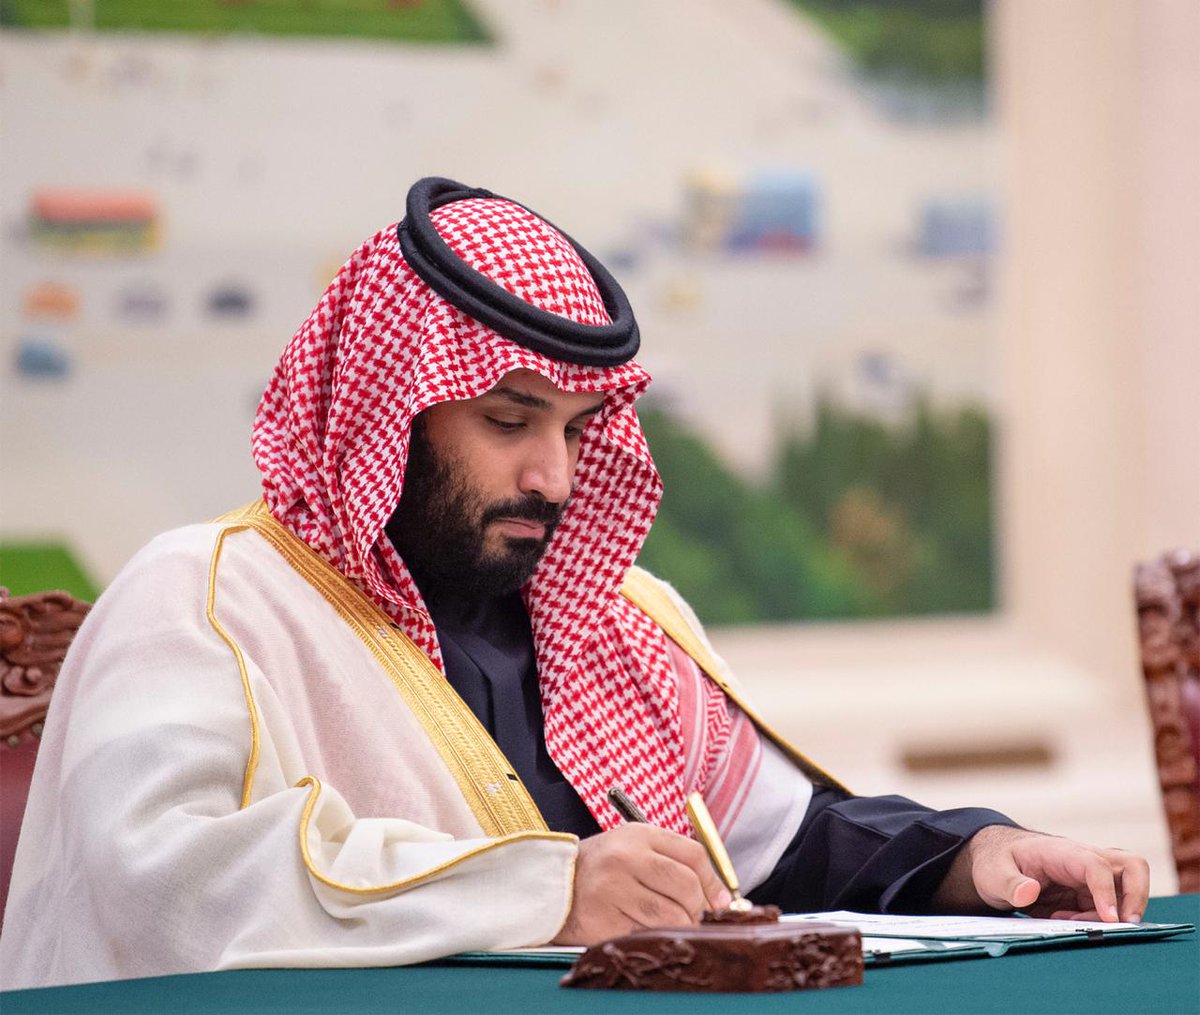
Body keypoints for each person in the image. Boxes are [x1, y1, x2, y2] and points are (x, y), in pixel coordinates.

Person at [0, 178, 1149, 988]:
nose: (553, 475)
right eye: (509, 422)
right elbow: (165, 881)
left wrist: (970, 860)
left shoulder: (612, 620)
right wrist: (548, 892)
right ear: (388, 412)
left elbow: (777, 845)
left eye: (578, 427)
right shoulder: (205, 602)